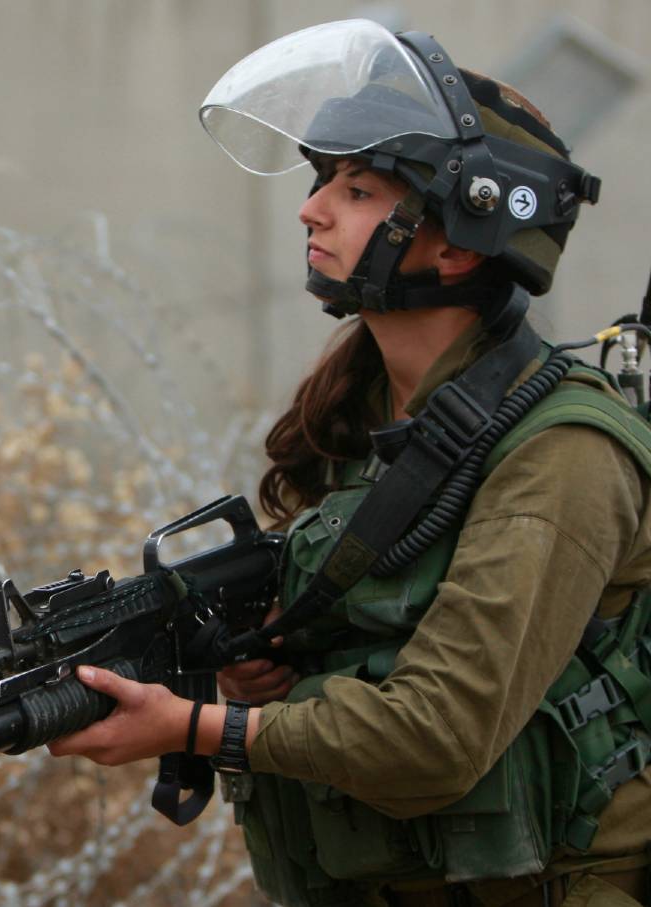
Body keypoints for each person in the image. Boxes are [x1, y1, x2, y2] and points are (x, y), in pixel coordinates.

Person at [49, 19, 650, 907]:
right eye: (325, 179)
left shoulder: (560, 452)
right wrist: (267, 675)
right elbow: (369, 651)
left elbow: (436, 737)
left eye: (358, 188)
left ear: (457, 239)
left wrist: (199, 726)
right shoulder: (363, 421)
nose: (311, 207)